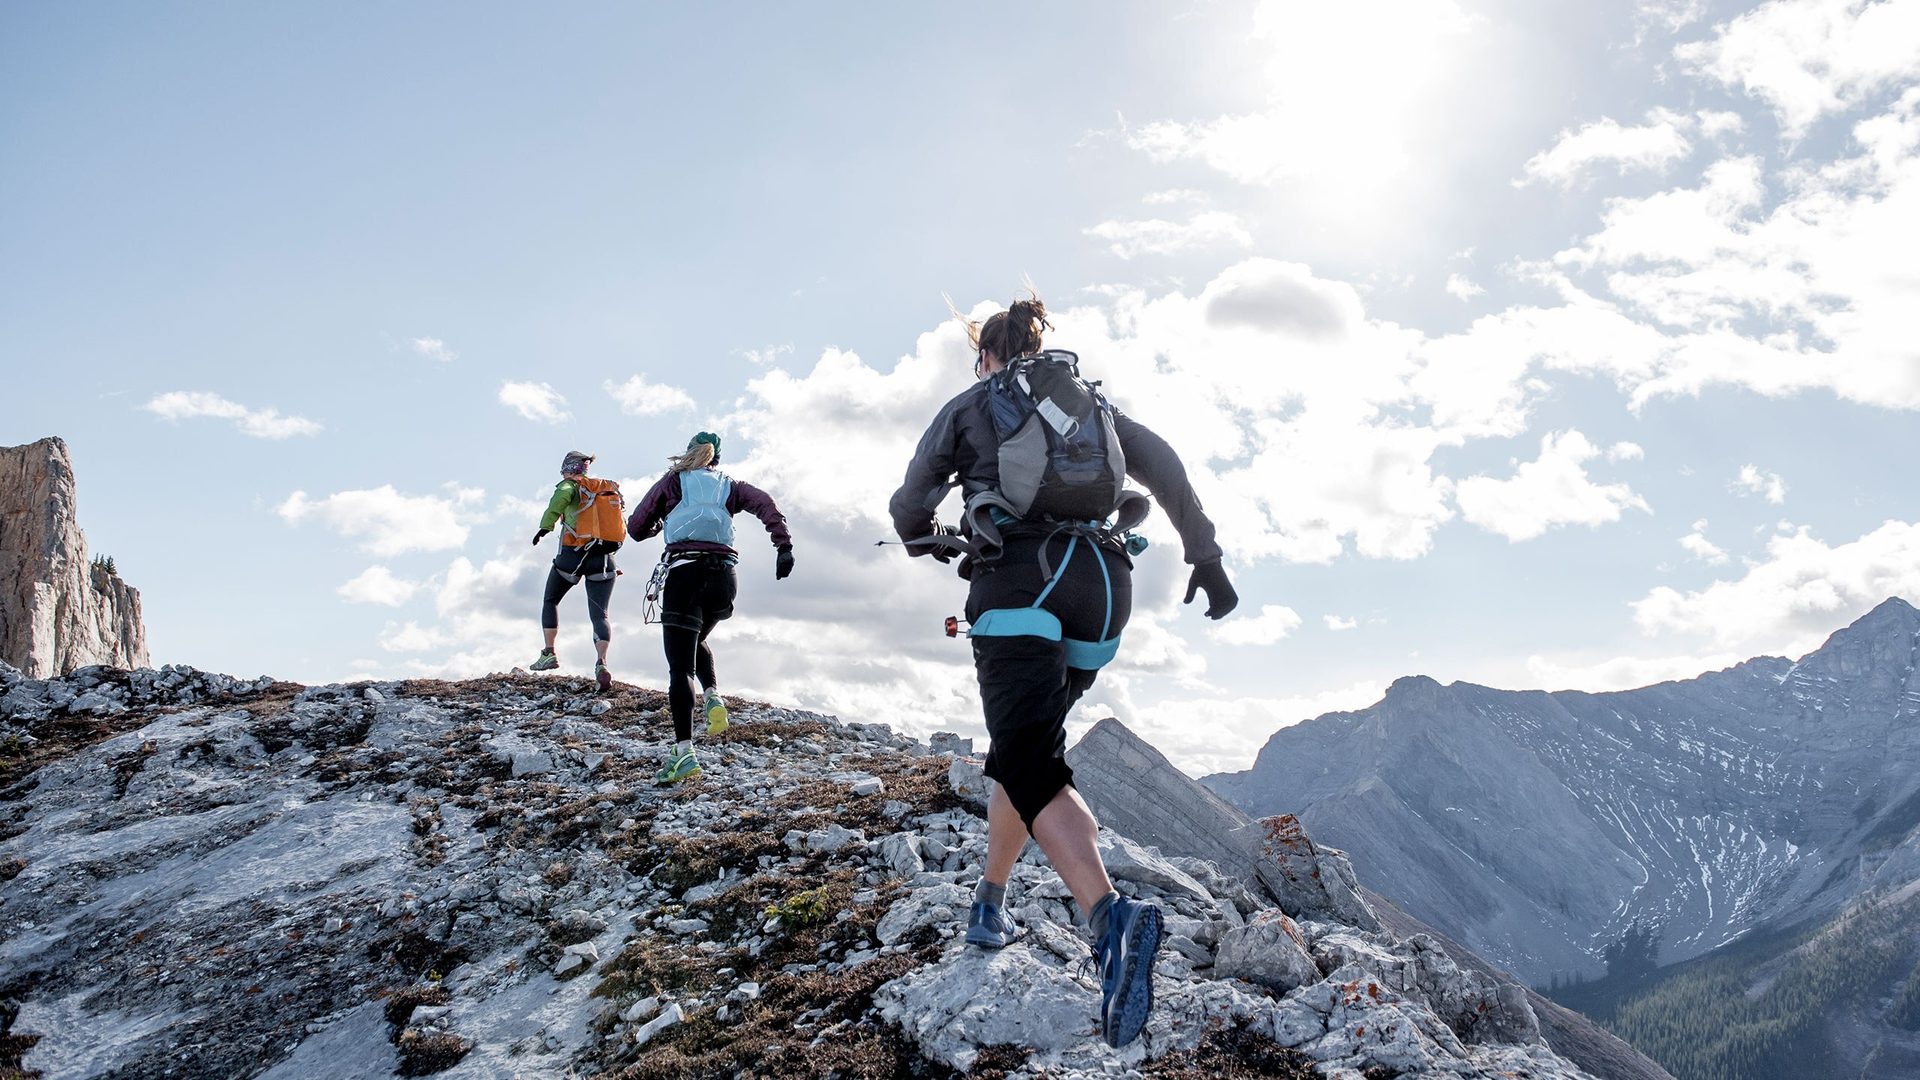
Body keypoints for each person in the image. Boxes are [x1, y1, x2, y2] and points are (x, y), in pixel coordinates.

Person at [889, 294, 1237, 1049]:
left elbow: (909, 502)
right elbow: (1167, 468)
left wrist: (925, 538)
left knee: (1024, 755)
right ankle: (991, 902)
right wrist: (1205, 555)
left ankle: (1109, 921)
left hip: (1020, 578)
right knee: (1031, 750)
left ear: (985, 353)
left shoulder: (973, 404)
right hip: (1104, 588)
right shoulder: (1094, 409)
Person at [627, 431, 794, 784]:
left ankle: (684, 752)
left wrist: (659, 524)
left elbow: (636, 527)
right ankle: (713, 695)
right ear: (716, 458)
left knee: (679, 666)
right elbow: (765, 503)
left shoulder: (672, 482)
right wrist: (783, 546)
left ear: (690, 453)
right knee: (696, 638)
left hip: (685, 574)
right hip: (724, 580)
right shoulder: (730, 486)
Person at [530, 450, 626, 691]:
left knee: (551, 600)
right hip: (604, 558)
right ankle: (602, 663)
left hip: (573, 555)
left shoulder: (570, 486)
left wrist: (544, 527)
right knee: (600, 615)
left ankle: (549, 653)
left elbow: (557, 503)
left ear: (568, 469)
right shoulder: (604, 488)